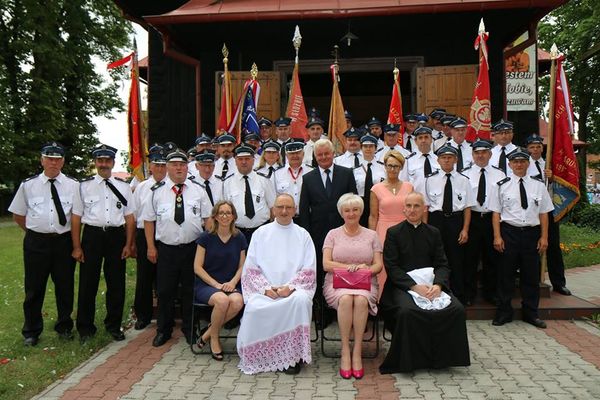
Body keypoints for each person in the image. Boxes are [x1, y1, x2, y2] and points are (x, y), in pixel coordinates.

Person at [379, 192, 470, 373]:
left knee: (457, 309)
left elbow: (442, 264)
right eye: (409, 206)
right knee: (408, 311)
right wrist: (414, 286)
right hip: (402, 287)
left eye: (417, 206)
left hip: (432, 286)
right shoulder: (394, 233)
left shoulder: (433, 233)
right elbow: (392, 266)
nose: (412, 210)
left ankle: (443, 359)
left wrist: (438, 285)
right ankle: (410, 360)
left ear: (424, 209)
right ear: (404, 209)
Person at [9, 142, 82, 346]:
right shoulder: (28, 185)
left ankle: (64, 326)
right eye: (49, 158)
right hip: (36, 242)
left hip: (63, 242)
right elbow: (18, 215)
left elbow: (76, 217)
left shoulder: (73, 185)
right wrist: (35, 231)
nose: (53, 162)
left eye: (57, 159)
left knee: (65, 286)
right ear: (42, 160)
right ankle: (31, 331)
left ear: (63, 161)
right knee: (34, 288)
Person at [237, 194, 316, 375]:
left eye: (288, 207)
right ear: (273, 209)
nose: (284, 211)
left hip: (293, 290)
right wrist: (266, 288)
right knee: (255, 307)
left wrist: (289, 287)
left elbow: (309, 268)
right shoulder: (261, 233)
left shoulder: (303, 235)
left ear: (294, 210)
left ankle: (293, 358)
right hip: (266, 290)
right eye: (280, 207)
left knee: (301, 301)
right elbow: (251, 267)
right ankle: (261, 357)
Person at [143, 148, 211, 347]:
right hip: (167, 250)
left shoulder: (198, 190)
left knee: (191, 291)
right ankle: (164, 330)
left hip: (192, 249)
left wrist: (207, 248)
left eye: (182, 164)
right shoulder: (157, 192)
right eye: (174, 164)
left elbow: (207, 220)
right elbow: (148, 221)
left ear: (187, 167)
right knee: (165, 291)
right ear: (167, 168)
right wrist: (150, 247)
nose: (179, 168)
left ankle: (190, 329)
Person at [72, 144, 135, 343]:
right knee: (88, 282)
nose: (103, 164)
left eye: (107, 161)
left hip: (116, 237)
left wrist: (128, 243)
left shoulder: (124, 187)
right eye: (100, 160)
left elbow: (130, 218)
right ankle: (85, 328)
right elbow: (76, 218)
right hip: (92, 236)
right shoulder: (83, 186)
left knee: (116, 282)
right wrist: (77, 246)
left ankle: (114, 325)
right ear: (95, 162)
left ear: (113, 163)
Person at [489, 148, 554, 329]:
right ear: (509, 164)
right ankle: (503, 312)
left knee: (530, 276)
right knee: (505, 275)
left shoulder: (538, 185)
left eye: (522, 161)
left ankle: (531, 313)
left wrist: (544, 237)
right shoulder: (501, 185)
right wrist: (497, 236)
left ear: (528, 163)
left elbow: (544, 214)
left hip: (532, 234)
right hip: (509, 233)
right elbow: (495, 213)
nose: (519, 165)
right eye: (515, 162)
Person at [322, 194, 383, 379]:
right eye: (347, 210)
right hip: (336, 283)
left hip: (365, 282)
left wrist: (365, 268)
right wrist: (348, 267)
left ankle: (357, 351)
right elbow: (326, 264)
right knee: (347, 299)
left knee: (362, 300)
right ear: (341, 213)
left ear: (361, 211)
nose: (351, 213)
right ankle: (345, 350)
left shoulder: (372, 235)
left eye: (355, 209)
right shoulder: (332, 234)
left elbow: (378, 265)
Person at [299, 139, 358, 295]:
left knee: (343, 265)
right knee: (320, 268)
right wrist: (307, 235)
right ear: (315, 156)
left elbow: (355, 203)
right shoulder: (308, 178)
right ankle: (322, 308)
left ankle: (341, 301)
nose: (323, 157)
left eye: (326, 153)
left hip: (344, 231)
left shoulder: (346, 173)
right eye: (320, 155)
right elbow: (304, 210)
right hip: (318, 233)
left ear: (333, 154)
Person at [193, 201, 247, 360]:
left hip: (230, 283)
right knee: (222, 301)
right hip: (207, 285)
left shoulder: (239, 237)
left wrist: (232, 282)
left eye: (228, 213)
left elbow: (242, 266)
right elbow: (197, 267)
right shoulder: (206, 237)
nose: (224, 216)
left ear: (233, 216)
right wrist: (216, 285)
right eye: (221, 213)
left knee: (238, 301)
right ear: (215, 216)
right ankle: (214, 338)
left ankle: (207, 334)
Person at [425, 144, 475, 305]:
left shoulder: (464, 180)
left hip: (456, 221)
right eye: (443, 157)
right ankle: (435, 294)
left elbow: (467, 208)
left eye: (450, 157)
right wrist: (425, 229)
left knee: (457, 260)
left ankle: (458, 295)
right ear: (438, 160)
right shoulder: (430, 180)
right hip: (436, 221)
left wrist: (465, 230)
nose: (446, 160)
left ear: (455, 159)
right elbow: (426, 207)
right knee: (436, 259)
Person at [525, 134, 571, 295]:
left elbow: (559, 187)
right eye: (532, 147)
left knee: (553, 246)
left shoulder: (549, 164)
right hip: (531, 210)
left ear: (543, 148)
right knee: (533, 247)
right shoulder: (523, 164)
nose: (535, 150)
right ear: (527, 149)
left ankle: (558, 282)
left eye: (538, 146)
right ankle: (536, 279)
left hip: (549, 210)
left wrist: (552, 179)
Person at [462, 139, 506, 305]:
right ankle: (469, 294)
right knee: (470, 259)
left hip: (491, 219)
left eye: (484, 152)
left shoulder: (500, 174)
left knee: (492, 259)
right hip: (471, 219)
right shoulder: (464, 173)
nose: (480, 155)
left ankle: (491, 293)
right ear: (472, 154)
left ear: (490, 154)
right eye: (477, 152)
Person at [130, 146, 167, 330]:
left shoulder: (173, 186)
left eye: (163, 164)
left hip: (165, 235)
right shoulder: (142, 188)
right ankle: (143, 315)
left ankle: (164, 316)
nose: (160, 168)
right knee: (144, 276)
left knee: (165, 278)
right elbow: (134, 214)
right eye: (156, 164)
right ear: (150, 166)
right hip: (144, 236)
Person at [369, 150, 413, 292]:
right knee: (383, 268)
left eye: (396, 166)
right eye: (389, 165)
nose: (392, 169)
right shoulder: (376, 189)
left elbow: (414, 211)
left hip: (405, 231)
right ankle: (381, 302)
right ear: (385, 167)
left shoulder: (409, 187)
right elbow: (373, 216)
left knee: (405, 265)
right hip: (383, 232)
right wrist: (371, 238)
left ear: (401, 168)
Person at [223, 144, 276, 244]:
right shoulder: (227, 183)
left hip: (262, 231)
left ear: (253, 160)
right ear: (235, 161)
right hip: (236, 232)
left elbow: (273, 207)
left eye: (247, 159)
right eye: (240, 159)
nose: (243, 162)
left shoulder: (264, 180)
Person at [274, 140, 313, 218]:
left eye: (298, 153)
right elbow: (274, 197)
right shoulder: (277, 173)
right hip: (285, 217)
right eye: (291, 154)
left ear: (303, 154)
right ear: (286, 155)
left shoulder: (312, 172)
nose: (295, 156)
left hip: (307, 217)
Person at [352, 134, 385, 227]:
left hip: (379, 203)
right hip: (361, 204)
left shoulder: (383, 168)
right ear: (361, 148)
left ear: (376, 148)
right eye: (365, 146)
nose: (368, 149)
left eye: (371, 146)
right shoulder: (355, 170)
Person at [400, 126, 440, 195]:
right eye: (420, 138)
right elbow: (403, 183)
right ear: (415, 141)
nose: (423, 140)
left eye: (426, 137)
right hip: (415, 201)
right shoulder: (408, 161)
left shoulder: (439, 160)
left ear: (431, 140)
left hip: (436, 201)